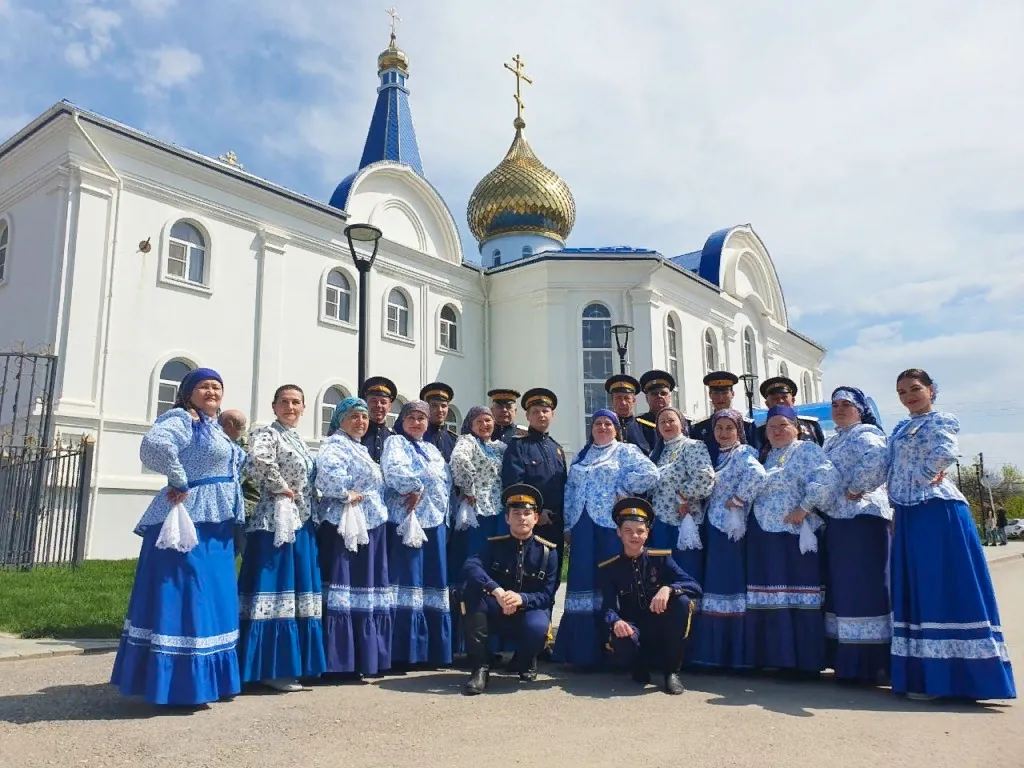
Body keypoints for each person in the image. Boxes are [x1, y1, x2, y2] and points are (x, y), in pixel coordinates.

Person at [111, 368, 245, 706]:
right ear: (188, 393)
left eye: (217, 386)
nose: (212, 391)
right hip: (190, 521)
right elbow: (155, 444)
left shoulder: (214, 427)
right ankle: (182, 685)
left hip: (217, 523)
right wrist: (178, 477)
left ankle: (214, 681)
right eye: (204, 386)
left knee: (215, 597)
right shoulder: (183, 418)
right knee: (190, 594)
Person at [888, 368, 1015, 701]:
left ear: (930, 390)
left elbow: (944, 452)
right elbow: (887, 465)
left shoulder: (941, 420)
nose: (909, 396)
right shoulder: (901, 427)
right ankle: (926, 675)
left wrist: (918, 477)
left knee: (939, 583)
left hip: (936, 509)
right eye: (902, 392)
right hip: (908, 511)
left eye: (915, 389)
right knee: (918, 585)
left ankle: (956, 678)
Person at [236, 385, 326, 693]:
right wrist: (280, 486)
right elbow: (258, 460)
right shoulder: (267, 433)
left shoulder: (298, 439)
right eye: (284, 402)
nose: (291, 406)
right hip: (275, 521)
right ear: (274, 406)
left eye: (296, 402)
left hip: (300, 521)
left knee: (298, 589)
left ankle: (295, 664)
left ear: (303, 408)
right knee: (275, 589)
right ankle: (269, 666)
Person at [555, 409, 659, 667]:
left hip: (608, 525)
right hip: (582, 524)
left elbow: (651, 474)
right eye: (598, 423)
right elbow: (570, 489)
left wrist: (623, 489)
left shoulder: (625, 451)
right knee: (581, 579)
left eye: (608, 424)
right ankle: (580, 650)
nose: (602, 427)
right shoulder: (583, 454)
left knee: (609, 580)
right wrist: (568, 524)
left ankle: (614, 648)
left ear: (616, 429)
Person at [746, 404, 838, 676]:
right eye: (771, 427)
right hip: (765, 534)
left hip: (794, 534)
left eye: (782, 425)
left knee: (798, 594)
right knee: (772, 594)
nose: (776, 431)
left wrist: (806, 507)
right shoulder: (768, 457)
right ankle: (776, 656)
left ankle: (804, 660)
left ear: (796, 428)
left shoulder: (806, 450)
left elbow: (826, 476)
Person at [314, 396, 393, 678]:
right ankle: (341, 660)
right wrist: (346, 494)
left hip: (369, 524)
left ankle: (365, 657)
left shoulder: (357, 448)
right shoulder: (335, 444)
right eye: (353, 417)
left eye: (363, 417)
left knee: (365, 587)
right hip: (346, 526)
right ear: (340, 421)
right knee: (345, 585)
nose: (360, 422)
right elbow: (326, 476)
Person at [821, 386, 892, 685]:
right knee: (844, 588)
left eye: (845, 404)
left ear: (859, 409)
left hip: (861, 517)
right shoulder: (833, 440)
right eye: (835, 404)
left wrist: (857, 487)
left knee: (864, 587)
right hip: (838, 520)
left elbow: (878, 460)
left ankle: (872, 664)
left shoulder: (866, 434)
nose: (838, 409)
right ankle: (848, 663)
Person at [461, 484, 558, 695]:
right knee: (470, 594)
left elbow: (547, 595)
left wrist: (521, 599)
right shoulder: (495, 545)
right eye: (516, 513)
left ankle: (526, 659)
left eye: (527, 513)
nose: (521, 518)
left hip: (527, 611)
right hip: (497, 608)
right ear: (507, 519)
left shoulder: (547, 552)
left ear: (536, 518)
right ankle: (480, 668)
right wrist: (497, 591)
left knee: (538, 627)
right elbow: (471, 566)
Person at [599, 497, 702, 695]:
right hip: (634, 628)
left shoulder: (661, 558)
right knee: (622, 638)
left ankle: (671, 672)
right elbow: (608, 606)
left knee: (682, 602)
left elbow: (694, 586)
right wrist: (616, 621)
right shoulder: (610, 567)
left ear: (647, 534)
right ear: (619, 532)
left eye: (640, 531)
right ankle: (639, 664)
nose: (634, 536)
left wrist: (669, 589)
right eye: (628, 530)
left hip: (661, 627)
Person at [688, 410, 766, 670]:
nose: (723, 433)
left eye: (729, 428)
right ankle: (715, 652)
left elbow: (758, 476)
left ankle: (736, 653)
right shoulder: (716, 456)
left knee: (729, 582)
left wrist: (740, 499)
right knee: (715, 583)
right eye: (718, 428)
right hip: (713, 526)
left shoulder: (743, 453)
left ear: (739, 431)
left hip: (731, 529)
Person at [382, 399, 453, 667]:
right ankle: (404, 651)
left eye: (421, 418)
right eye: (411, 417)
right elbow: (394, 471)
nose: (416, 422)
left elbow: (445, 481)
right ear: (402, 420)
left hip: (434, 521)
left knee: (431, 581)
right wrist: (414, 487)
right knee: (408, 579)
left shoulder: (433, 450)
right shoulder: (395, 443)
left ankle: (431, 649)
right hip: (406, 522)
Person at [500, 388, 568, 580]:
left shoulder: (557, 449)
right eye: (536, 411)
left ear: (552, 414)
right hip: (531, 524)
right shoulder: (518, 447)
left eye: (545, 411)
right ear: (528, 416)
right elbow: (515, 485)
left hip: (556, 524)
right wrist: (537, 513)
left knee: (552, 577)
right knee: (529, 576)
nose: (541, 415)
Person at [648, 406, 715, 586]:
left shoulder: (693, 446)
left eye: (671, 420)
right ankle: (665, 612)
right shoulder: (657, 453)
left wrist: (683, 496)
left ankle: (689, 611)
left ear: (682, 424)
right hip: (661, 522)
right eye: (662, 422)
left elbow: (705, 477)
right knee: (663, 574)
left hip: (685, 521)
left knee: (686, 572)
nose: (667, 424)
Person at [689, 372, 759, 464]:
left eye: (725, 393)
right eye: (716, 393)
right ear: (710, 395)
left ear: (732, 394)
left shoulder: (747, 425)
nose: (720, 398)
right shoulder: (699, 427)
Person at [754, 377, 824, 462]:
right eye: (775, 398)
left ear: (793, 400)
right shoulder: (758, 432)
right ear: (767, 404)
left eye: (784, 397)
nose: (780, 401)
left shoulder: (810, 425)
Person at [219, 409, 259, 557]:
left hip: (244, 510)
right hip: (250, 509)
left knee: (242, 556)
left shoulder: (241, 448)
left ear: (228, 425)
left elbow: (234, 479)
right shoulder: (254, 443)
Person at [605, 374, 651, 454]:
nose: (623, 402)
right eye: (618, 398)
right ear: (612, 401)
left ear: (634, 401)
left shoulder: (646, 428)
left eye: (627, 398)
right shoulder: (605, 427)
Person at [637, 369, 680, 450]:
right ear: (646, 398)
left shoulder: (682, 423)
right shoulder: (638, 425)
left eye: (663, 393)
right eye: (654, 394)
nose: (659, 396)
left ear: (669, 398)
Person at [359, 376, 397, 463]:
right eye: (373, 401)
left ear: (389, 406)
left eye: (383, 402)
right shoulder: (356, 435)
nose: (378, 405)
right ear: (365, 403)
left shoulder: (393, 438)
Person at [420, 382, 458, 462]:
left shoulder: (454, 440)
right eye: (434, 405)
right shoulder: (418, 436)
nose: (440, 410)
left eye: (443, 406)